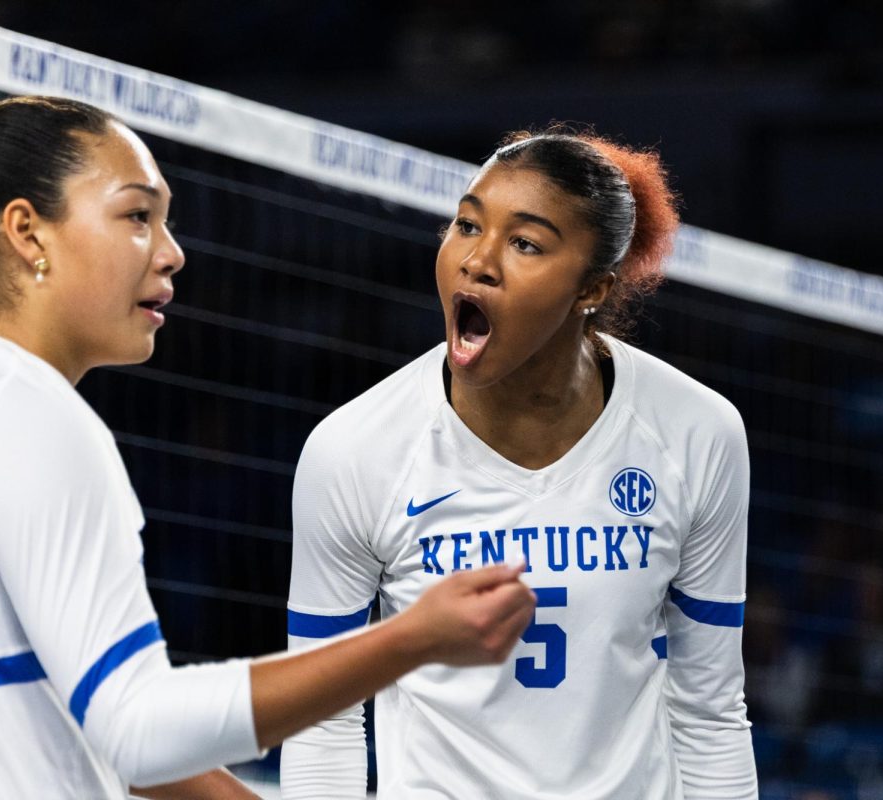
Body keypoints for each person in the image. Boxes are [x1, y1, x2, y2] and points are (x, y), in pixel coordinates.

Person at [0, 96, 537, 800]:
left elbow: (80, 709)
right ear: (28, 232)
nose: (173, 253)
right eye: (138, 216)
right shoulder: (34, 419)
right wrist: (410, 639)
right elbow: (139, 733)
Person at [280, 130, 758, 799]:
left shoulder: (696, 433)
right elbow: (320, 719)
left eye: (525, 243)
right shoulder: (357, 448)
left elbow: (709, 714)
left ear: (592, 288)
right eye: (467, 224)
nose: (477, 260)